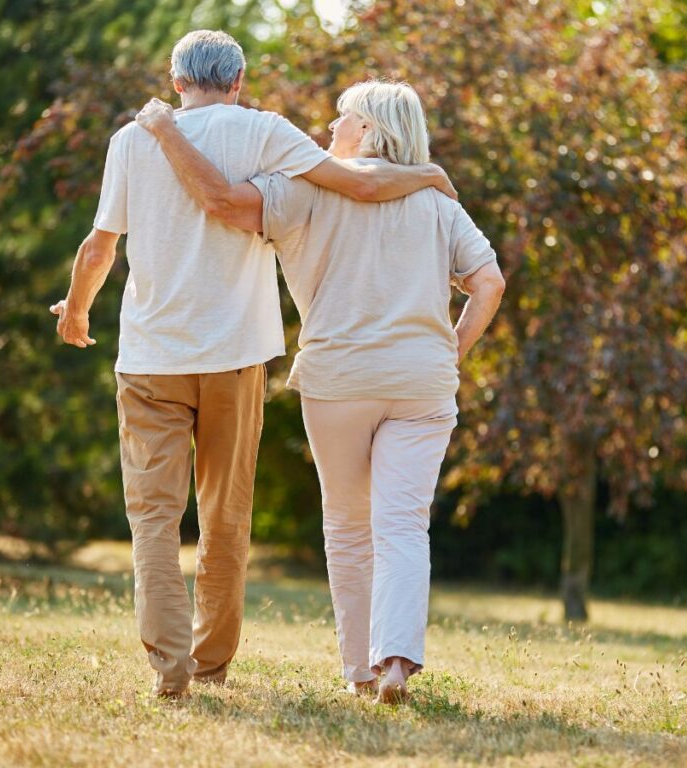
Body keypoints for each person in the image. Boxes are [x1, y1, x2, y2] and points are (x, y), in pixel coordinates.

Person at [50, 31, 456, 700]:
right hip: (235, 357)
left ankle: (168, 666)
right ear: (238, 81)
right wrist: (429, 176)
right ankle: (210, 663)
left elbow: (100, 246)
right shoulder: (266, 132)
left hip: (151, 358)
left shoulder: (131, 140)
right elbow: (354, 180)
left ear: (176, 81)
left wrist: (77, 312)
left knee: (153, 519)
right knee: (225, 516)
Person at [134, 80, 505, 704]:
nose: (328, 128)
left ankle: (358, 671)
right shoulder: (438, 198)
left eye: (341, 118)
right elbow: (488, 283)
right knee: (405, 525)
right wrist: (451, 349)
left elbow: (225, 206)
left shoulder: (302, 188)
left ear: (365, 129)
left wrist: (168, 136)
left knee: (348, 525)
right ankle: (396, 662)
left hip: (339, 378)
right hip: (423, 379)